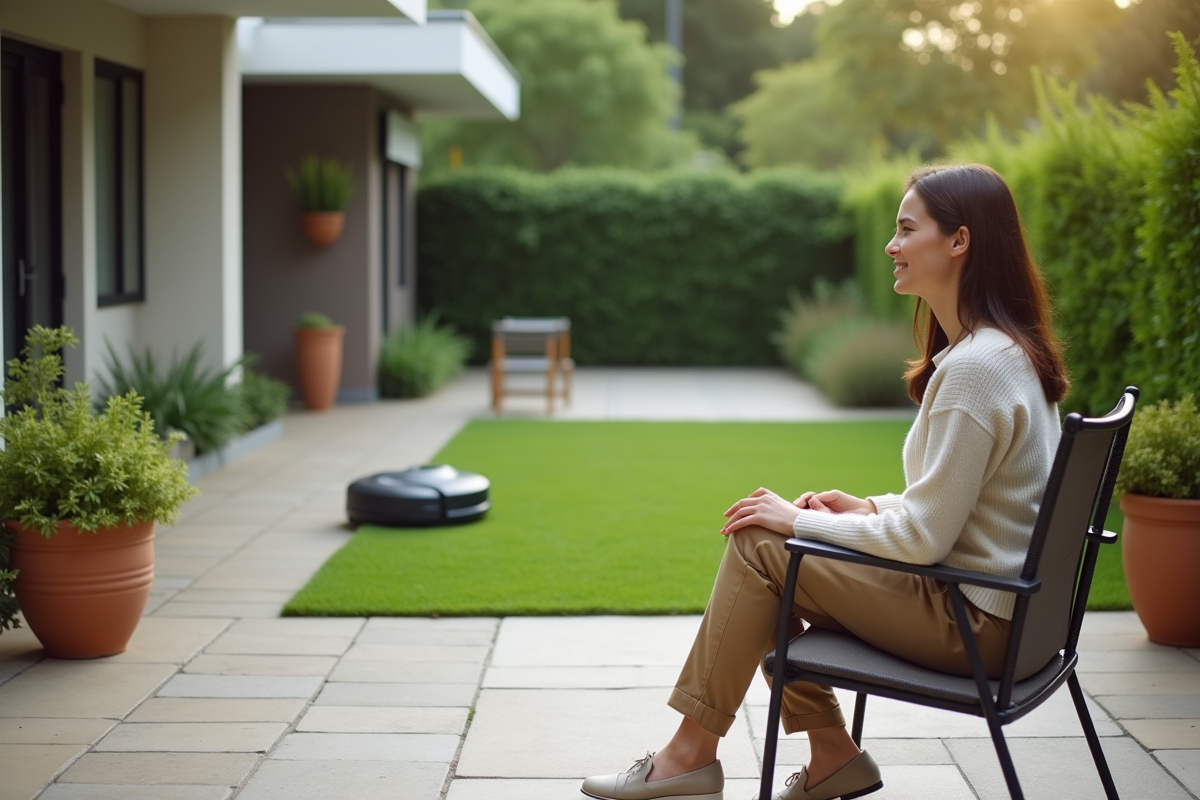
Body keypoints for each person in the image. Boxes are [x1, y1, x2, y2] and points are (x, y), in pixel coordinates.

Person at [581, 163, 1070, 800]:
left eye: (905, 229)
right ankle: (826, 756)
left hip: (977, 626)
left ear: (960, 241)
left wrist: (799, 521)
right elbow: (972, 506)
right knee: (769, 557)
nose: (891, 246)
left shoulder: (978, 369)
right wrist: (865, 506)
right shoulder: (1002, 353)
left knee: (761, 544)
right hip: (1014, 619)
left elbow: (924, 539)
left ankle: (690, 757)